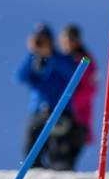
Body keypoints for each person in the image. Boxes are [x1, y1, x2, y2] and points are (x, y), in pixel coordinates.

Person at [17, 23, 83, 170]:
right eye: (38, 39)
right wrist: (31, 53)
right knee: (31, 153)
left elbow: (72, 74)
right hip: (38, 113)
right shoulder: (33, 60)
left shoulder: (62, 58)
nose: (41, 42)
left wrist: (50, 55)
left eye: (44, 39)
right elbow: (20, 77)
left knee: (60, 156)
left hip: (61, 112)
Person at [58, 24, 99, 146]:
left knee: (64, 157)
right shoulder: (58, 59)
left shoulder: (85, 61)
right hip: (58, 116)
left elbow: (90, 89)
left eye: (71, 39)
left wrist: (69, 104)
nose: (67, 43)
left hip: (77, 119)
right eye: (64, 39)